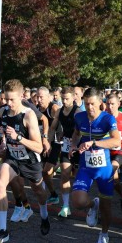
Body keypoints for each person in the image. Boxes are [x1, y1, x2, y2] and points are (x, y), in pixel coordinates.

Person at [0, 79, 49, 243]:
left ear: (22, 96)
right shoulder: (3, 111)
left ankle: (44, 215)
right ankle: (3, 231)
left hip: (30, 160)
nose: (8, 103)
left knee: (38, 191)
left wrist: (19, 138)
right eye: (5, 99)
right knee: (0, 183)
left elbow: (38, 147)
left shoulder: (28, 115)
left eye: (12, 100)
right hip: (13, 157)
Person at [69, 88, 121, 243]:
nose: (89, 107)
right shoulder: (79, 116)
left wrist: (95, 143)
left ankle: (104, 235)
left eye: (92, 104)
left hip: (104, 169)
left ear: (100, 103)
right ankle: (92, 205)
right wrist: (73, 145)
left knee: (107, 207)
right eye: (86, 104)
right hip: (86, 167)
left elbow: (116, 141)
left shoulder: (107, 118)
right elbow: (76, 133)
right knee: (77, 202)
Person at [47, 87, 81, 217]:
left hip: (79, 146)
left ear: (73, 98)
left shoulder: (78, 112)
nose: (65, 101)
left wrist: (75, 143)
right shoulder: (60, 111)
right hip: (66, 145)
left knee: (77, 178)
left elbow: (80, 131)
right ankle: (66, 205)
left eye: (67, 98)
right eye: (63, 98)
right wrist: (48, 143)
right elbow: (52, 127)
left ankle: (81, 201)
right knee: (65, 174)